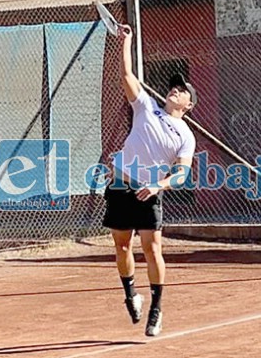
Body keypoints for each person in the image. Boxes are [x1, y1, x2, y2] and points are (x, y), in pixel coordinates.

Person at [102, 24, 197, 337]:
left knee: (152, 249)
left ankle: (156, 309)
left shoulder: (185, 135)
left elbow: (182, 173)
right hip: (120, 186)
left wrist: (159, 185)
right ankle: (131, 294)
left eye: (182, 90)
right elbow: (127, 77)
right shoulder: (146, 107)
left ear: (188, 105)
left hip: (148, 193)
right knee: (121, 246)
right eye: (174, 87)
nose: (175, 90)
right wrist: (125, 42)